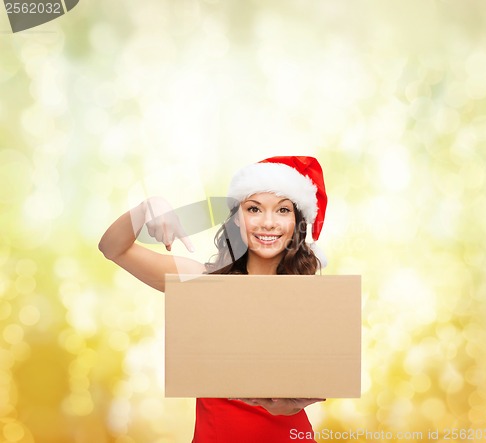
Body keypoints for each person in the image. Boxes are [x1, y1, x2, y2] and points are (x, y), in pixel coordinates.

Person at [99, 155, 329, 443]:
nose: (268, 222)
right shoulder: (203, 283)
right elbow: (112, 248)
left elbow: (319, 385)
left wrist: (294, 401)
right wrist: (147, 208)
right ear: (236, 218)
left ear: (297, 223)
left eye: (282, 210)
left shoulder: (310, 299)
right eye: (254, 209)